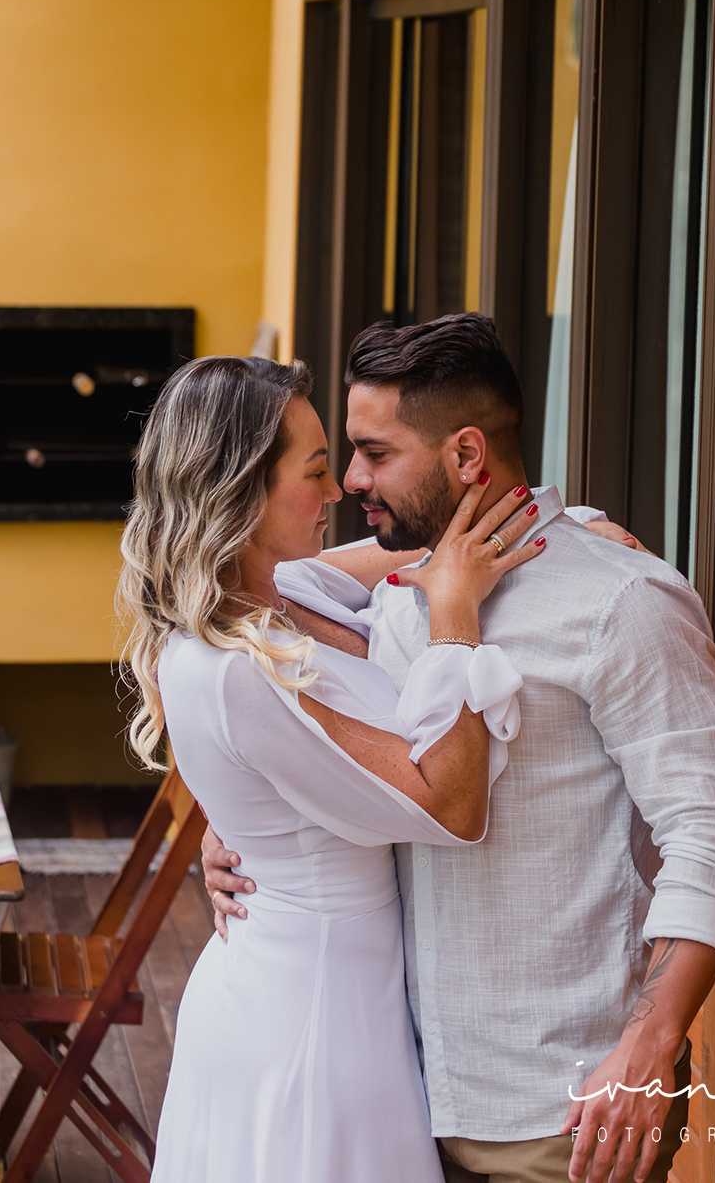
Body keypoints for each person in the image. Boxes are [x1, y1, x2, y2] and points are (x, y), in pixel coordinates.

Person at [205, 314, 715, 1183]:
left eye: (374, 453)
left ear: (466, 454)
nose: (351, 480)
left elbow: (713, 836)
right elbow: (279, 652)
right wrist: (241, 825)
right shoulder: (400, 594)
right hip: (407, 1103)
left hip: (563, 1114)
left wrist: (651, 1042)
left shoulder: (622, 604)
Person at [118, 353, 546, 1183]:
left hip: (337, 991)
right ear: (241, 490)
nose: (339, 489)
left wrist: (565, 529)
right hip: (311, 1019)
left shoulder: (285, 590)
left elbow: (438, 544)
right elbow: (452, 806)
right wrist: (454, 620)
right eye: (315, 470)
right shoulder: (236, 669)